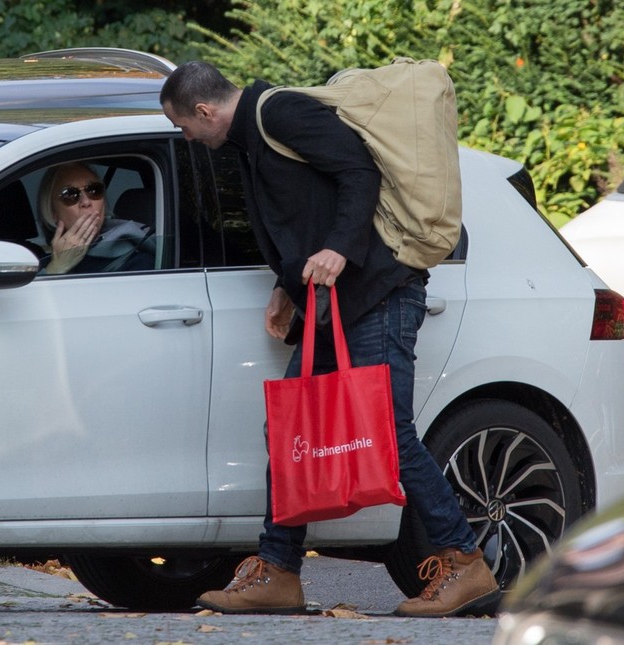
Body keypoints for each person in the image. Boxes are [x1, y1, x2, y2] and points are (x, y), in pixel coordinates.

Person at [160, 61, 500, 618]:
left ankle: (465, 562)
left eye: (183, 126)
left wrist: (340, 248)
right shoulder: (251, 138)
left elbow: (359, 173)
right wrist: (287, 285)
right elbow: (304, 210)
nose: (187, 138)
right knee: (290, 425)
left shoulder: (281, 112)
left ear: (203, 111)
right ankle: (279, 571)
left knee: (388, 431)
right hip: (339, 304)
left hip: (381, 294)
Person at [38, 162, 155, 274]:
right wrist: (57, 267)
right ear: (54, 214)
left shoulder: (138, 263)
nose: (86, 201)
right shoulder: (40, 264)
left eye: (94, 190)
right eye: (70, 194)